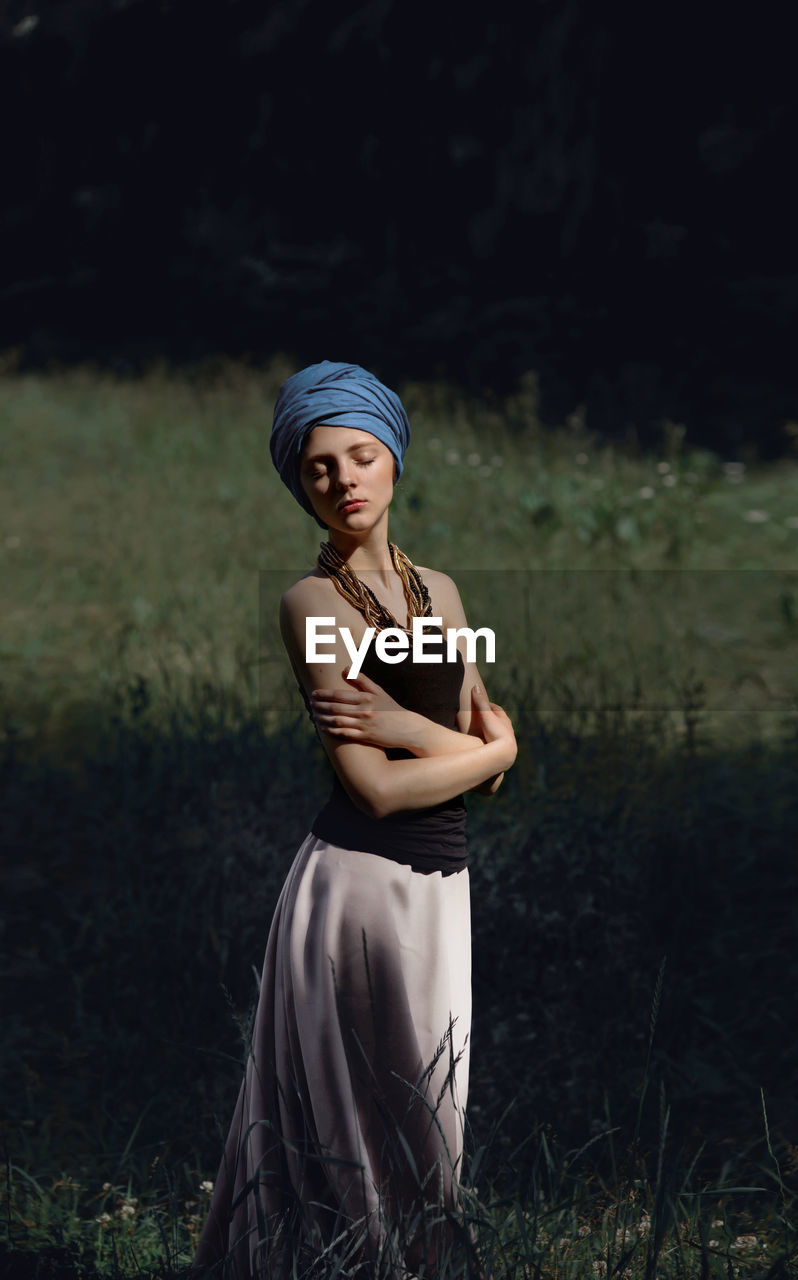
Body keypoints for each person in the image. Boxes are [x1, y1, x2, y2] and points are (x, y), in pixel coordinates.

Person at [193, 361, 517, 1278]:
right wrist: (487, 752)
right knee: (367, 1122)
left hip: (442, 886)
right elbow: (377, 787)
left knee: (430, 1119)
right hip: (358, 886)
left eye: (359, 456)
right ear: (299, 484)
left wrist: (436, 736)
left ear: (394, 462)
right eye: (317, 468)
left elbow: (475, 753)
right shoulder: (312, 604)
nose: (342, 481)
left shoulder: (442, 594)